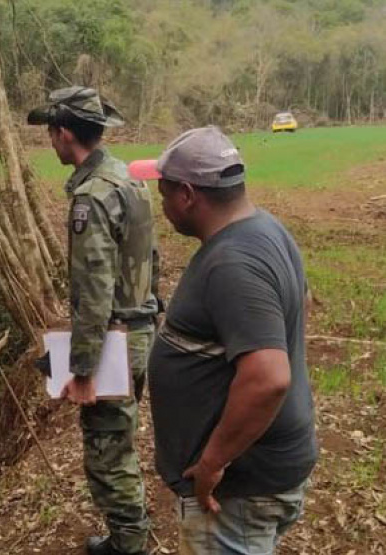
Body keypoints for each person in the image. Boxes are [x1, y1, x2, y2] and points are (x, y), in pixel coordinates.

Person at [129, 127, 318, 554]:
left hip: (239, 491)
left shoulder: (233, 263)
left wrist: (213, 463)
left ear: (189, 195)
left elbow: (268, 377)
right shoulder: (267, 228)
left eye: (165, 191)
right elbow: (300, 307)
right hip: (261, 474)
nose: (161, 203)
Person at [28, 87, 160, 555]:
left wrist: (84, 370)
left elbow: (94, 292)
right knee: (119, 438)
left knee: (107, 451)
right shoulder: (128, 178)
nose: (50, 141)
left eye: (50, 133)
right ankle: (132, 530)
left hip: (116, 340)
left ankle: (129, 542)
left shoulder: (92, 197)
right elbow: (149, 258)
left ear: (65, 135)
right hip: (141, 329)